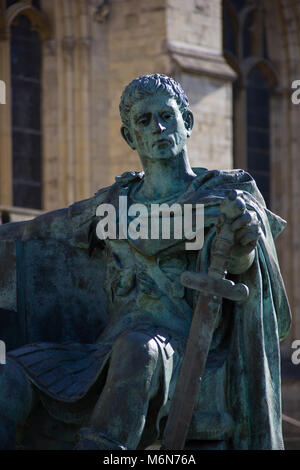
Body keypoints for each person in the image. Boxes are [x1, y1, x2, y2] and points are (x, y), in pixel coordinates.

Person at [0, 74, 291, 450]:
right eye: (144, 120)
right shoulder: (115, 202)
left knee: (138, 351)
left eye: (166, 116)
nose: (158, 128)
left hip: (181, 351)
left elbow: (241, 270)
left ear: (187, 122)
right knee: (7, 376)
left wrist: (244, 242)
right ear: (130, 137)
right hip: (104, 353)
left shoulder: (218, 196)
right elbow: (44, 228)